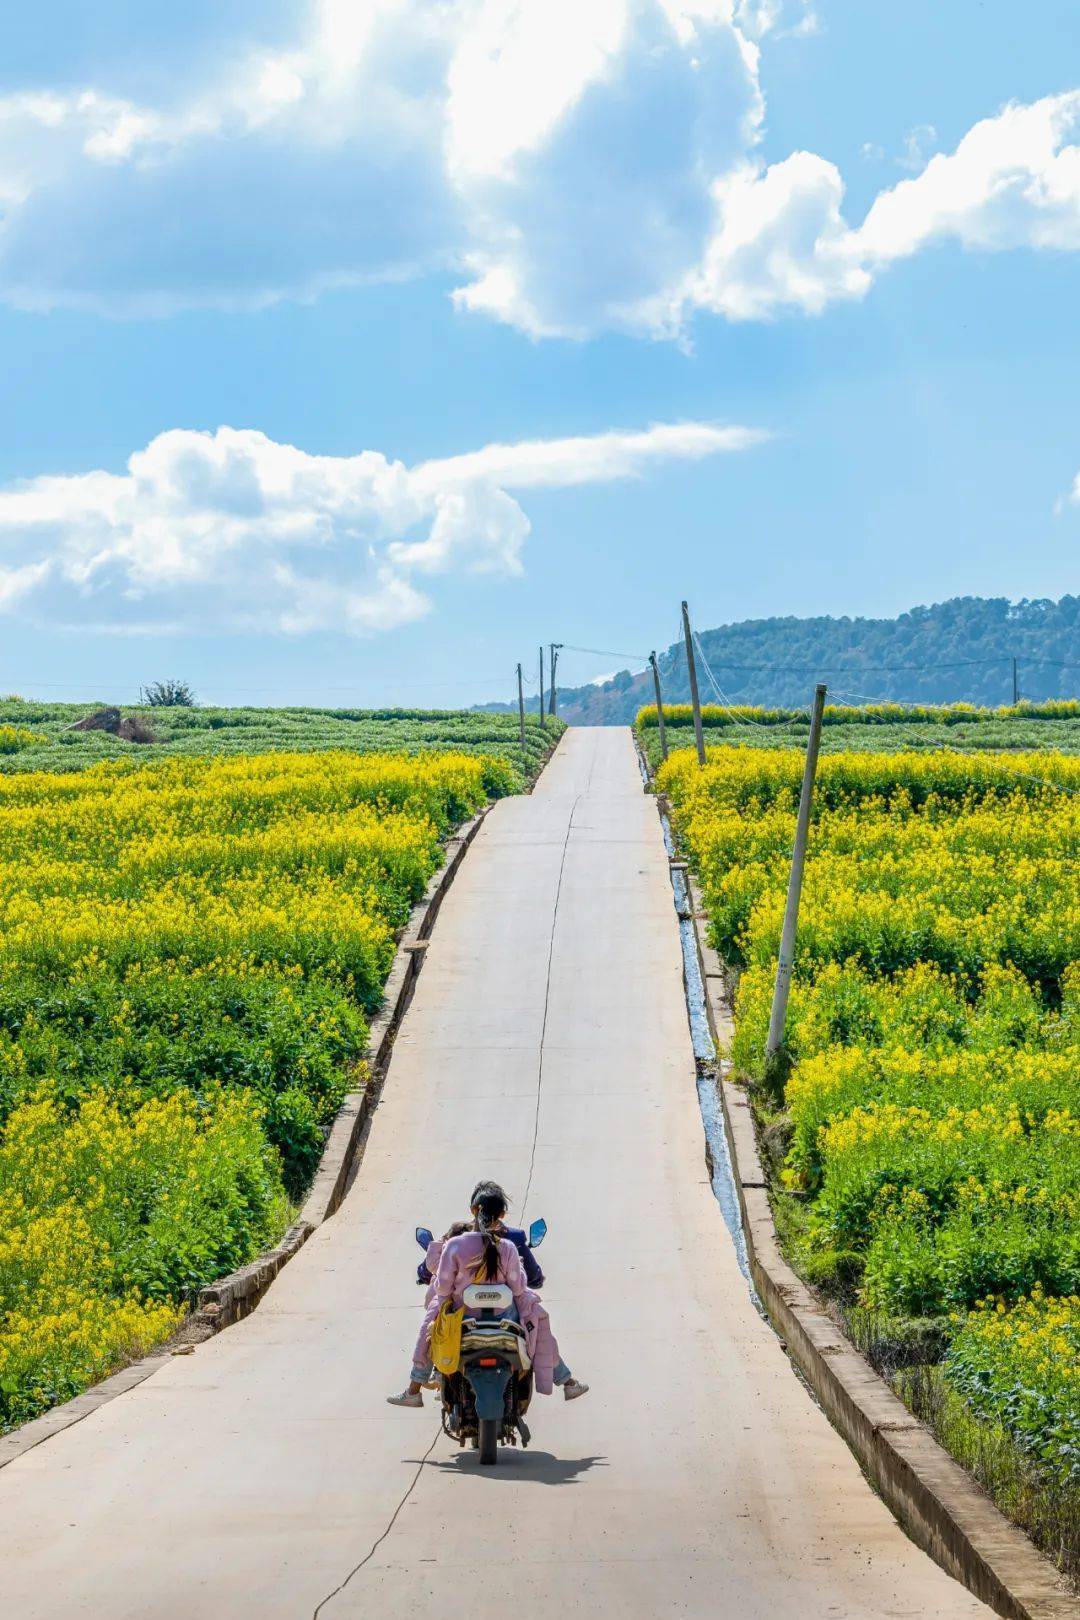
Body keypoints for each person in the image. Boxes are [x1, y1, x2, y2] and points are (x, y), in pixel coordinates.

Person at [387, 1181, 588, 1407]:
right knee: (538, 1324)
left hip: (462, 1317)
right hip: (505, 1318)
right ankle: (566, 1381)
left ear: (473, 1209)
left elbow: (442, 1286)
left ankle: (415, 1388)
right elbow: (519, 1287)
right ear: (502, 1214)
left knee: (429, 1326)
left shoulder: (454, 1244)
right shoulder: (508, 1247)